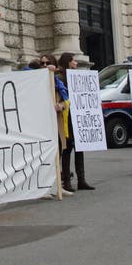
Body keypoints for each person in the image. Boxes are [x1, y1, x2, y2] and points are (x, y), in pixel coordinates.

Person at [55, 52, 94, 193]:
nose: (76, 63)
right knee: (67, 148)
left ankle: (81, 179)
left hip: (78, 116)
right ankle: (67, 181)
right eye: (73, 61)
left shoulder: (77, 77)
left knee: (79, 146)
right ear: (68, 62)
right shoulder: (60, 78)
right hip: (67, 118)